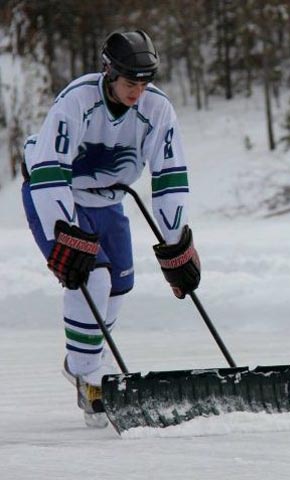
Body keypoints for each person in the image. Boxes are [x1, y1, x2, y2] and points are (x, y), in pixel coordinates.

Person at [21, 29, 201, 426]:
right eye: (128, 82)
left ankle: (83, 360)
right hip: (55, 193)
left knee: (120, 284)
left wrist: (177, 247)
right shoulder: (77, 100)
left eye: (143, 82)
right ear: (108, 72)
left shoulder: (157, 109)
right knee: (91, 277)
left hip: (110, 198)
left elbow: (170, 176)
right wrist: (63, 229)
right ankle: (90, 378)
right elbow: (49, 169)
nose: (137, 91)